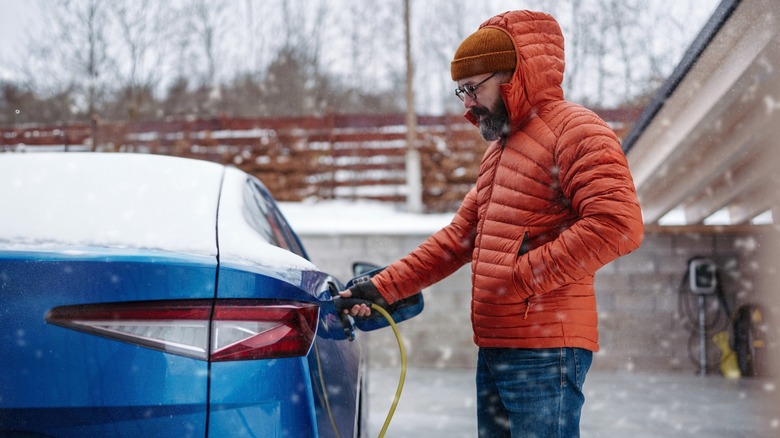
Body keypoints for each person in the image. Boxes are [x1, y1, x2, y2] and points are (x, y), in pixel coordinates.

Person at [340, 9, 643, 438]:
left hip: (545, 351)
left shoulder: (577, 131)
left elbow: (618, 225)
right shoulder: (501, 150)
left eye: (472, 88)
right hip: (498, 345)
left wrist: (520, 276)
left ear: (513, 76)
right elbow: (457, 240)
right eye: (460, 91)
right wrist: (383, 288)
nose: (466, 102)